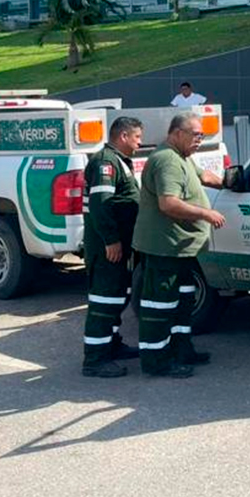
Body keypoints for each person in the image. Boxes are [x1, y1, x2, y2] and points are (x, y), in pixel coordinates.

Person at [133, 112, 226, 378]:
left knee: (182, 300)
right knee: (159, 304)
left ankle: (182, 349)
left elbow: (204, 175)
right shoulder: (166, 161)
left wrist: (231, 181)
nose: (200, 139)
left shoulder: (181, 157)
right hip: (165, 247)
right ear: (176, 133)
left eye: (202, 135)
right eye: (196, 135)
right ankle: (156, 361)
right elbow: (168, 203)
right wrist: (206, 214)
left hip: (182, 248)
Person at [80, 117, 144, 378]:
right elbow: (101, 204)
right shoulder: (106, 163)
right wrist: (111, 240)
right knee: (104, 301)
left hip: (120, 247)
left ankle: (112, 345)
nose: (140, 142)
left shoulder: (119, 161)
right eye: (138, 137)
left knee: (118, 297)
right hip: (108, 249)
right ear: (124, 136)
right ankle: (95, 360)